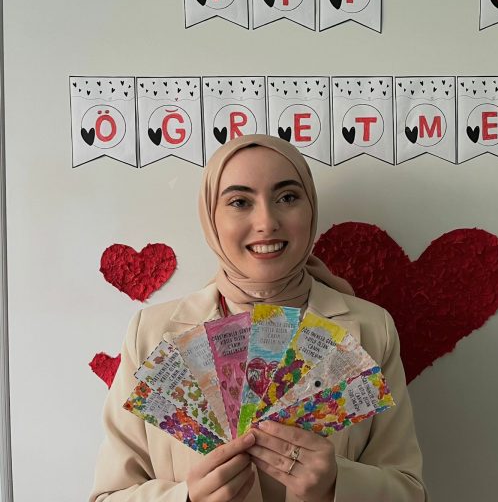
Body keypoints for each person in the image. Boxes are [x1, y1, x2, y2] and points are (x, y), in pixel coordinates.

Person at [90, 134, 426, 502]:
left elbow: (410, 491)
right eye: (240, 202)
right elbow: (109, 495)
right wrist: (186, 498)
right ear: (211, 218)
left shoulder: (373, 330)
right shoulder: (151, 333)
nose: (266, 222)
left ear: (310, 209)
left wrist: (337, 484)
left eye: (287, 197)